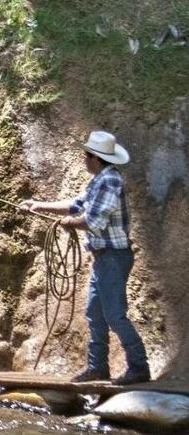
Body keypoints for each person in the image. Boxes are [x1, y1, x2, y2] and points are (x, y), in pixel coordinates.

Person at [21, 130, 150, 386]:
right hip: (104, 258)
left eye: (86, 155)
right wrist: (38, 205)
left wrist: (68, 223)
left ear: (95, 158)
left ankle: (138, 366)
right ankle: (97, 367)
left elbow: (94, 221)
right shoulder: (99, 180)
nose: (84, 159)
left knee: (114, 314)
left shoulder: (110, 181)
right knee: (94, 312)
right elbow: (75, 205)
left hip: (113, 257)